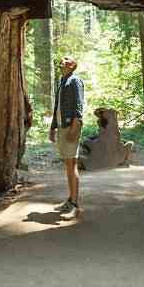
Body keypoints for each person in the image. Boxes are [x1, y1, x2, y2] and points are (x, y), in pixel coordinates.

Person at [49, 54, 84, 215]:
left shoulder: (74, 81)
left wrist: (75, 127)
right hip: (63, 126)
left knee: (72, 164)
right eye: (61, 60)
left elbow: (78, 105)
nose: (61, 61)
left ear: (72, 65)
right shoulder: (62, 82)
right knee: (68, 164)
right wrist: (52, 128)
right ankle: (70, 199)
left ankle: (75, 205)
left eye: (65, 60)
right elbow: (57, 107)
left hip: (71, 126)